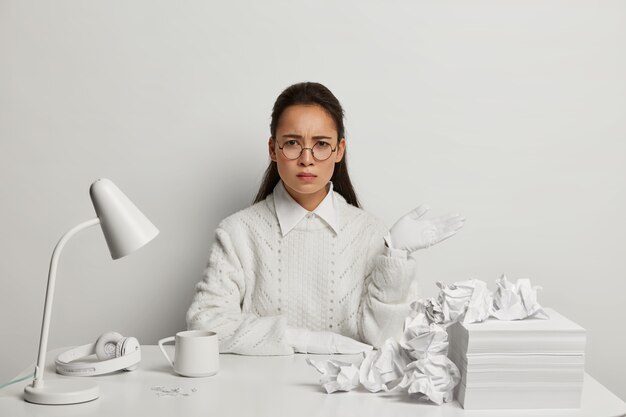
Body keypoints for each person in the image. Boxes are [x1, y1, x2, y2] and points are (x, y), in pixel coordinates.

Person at [186, 82, 465, 355]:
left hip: (350, 397)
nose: (307, 159)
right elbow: (205, 323)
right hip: (259, 394)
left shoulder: (370, 233)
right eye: (293, 143)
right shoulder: (237, 232)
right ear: (273, 149)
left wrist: (395, 257)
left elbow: (388, 341)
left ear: (339, 150)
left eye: (321, 144)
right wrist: (306, 341)